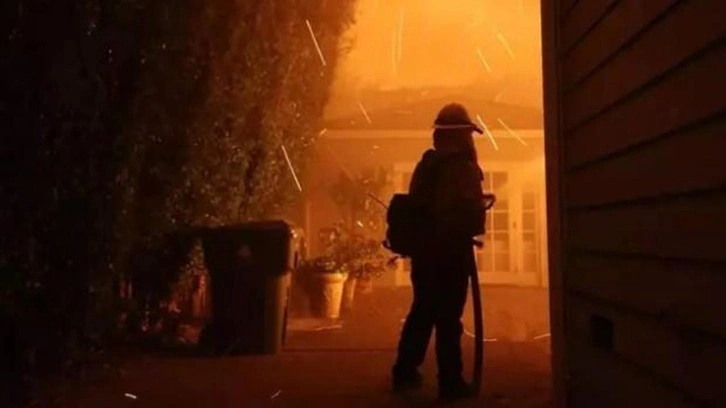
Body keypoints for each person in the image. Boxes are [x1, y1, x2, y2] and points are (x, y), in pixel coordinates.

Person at [392, 103, 486, 401]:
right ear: (461, 135)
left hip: (425, 254)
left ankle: (405, 372)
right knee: (448, 319)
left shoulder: (427, 166)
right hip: (450, 253)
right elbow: (467, 214)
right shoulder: (462, 169)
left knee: (422, 312)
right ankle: (450, 381)